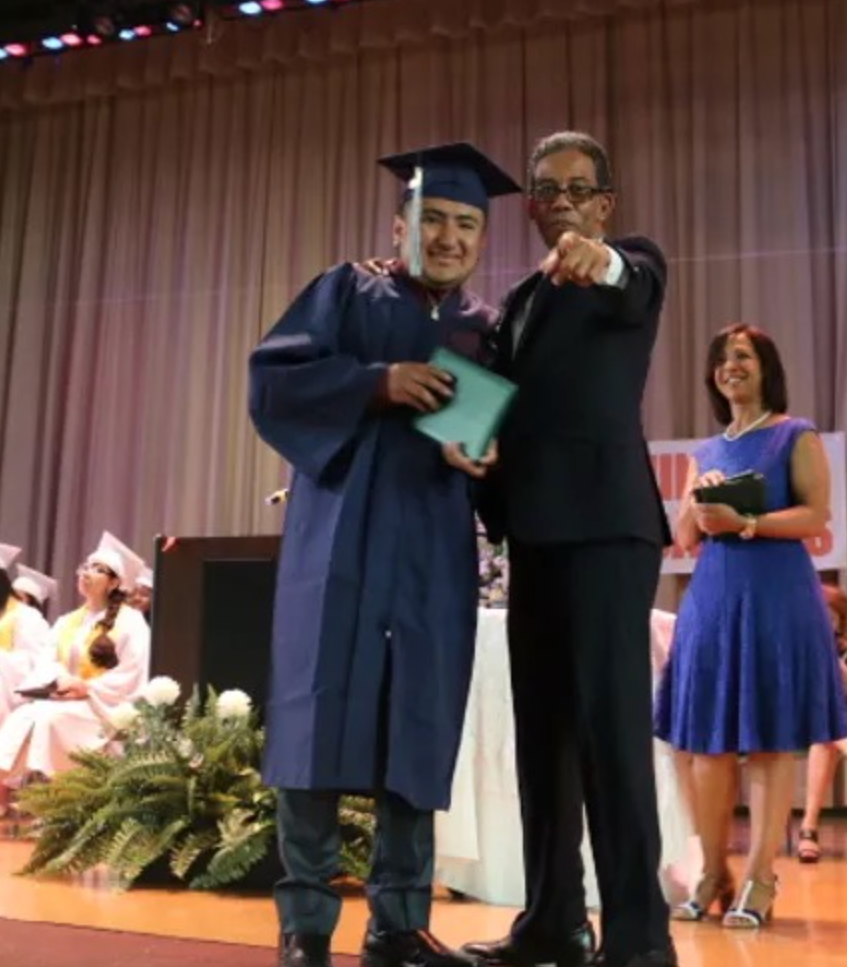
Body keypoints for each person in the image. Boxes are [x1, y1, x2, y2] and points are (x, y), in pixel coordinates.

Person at [248, 143, 520, 967]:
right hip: (340, 534)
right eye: (431, 217)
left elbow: (503, 434)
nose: (447, 235)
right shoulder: (346, 288)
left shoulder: (484, 328)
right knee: (315, 715)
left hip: (433, 540)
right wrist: (377, 381)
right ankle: (304, 925)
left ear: (482, 236)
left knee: (419, 717)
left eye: (465, 223)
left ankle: (398, 923)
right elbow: (273, 379)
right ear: (399, 221)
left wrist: (485, 456)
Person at [465, 130, 674, 967]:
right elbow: (492, 411)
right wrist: (468, 452)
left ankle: (636, 935)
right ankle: (551, 919)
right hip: (536, 536)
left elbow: (636, 285)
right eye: (543, 189)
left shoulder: (627, 263)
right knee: (542, 734)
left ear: (604, 203)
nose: (558, 200)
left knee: (609, 733)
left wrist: (607, 261)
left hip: (604, 529)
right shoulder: (514, 301)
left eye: (575, 188)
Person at [654, 324, 847, 927]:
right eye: (721, 359)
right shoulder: (705, 454)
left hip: (778, 595)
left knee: (768, 741)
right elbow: (685, 537)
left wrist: (745, 521)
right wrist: (697, 500)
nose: (730, 366)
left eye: (743, 356)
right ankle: (714, 869)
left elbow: (816, 514)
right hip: (713, 599)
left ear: (766, 368)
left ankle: (761, 878)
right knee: (704, 746)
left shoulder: (795, 434)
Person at [0, 531, 150, 780]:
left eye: (97, 569)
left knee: (49, 720)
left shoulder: (131, 622)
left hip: (102, 707)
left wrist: (86, 688)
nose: (86, 573)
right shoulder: (66, 621)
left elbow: (133, 673)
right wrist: (60, 681)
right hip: (65, 700)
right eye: (85, 566)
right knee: (23, 716)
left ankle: (51, 798)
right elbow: (46, 661)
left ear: (114, 583)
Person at [795, 582, 847, 863]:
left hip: (831, 725)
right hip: (794, 719)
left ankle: (808, 829)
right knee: (826, 731)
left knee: (826, 737)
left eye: (829, 614)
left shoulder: (841, 646)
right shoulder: (794, 645)